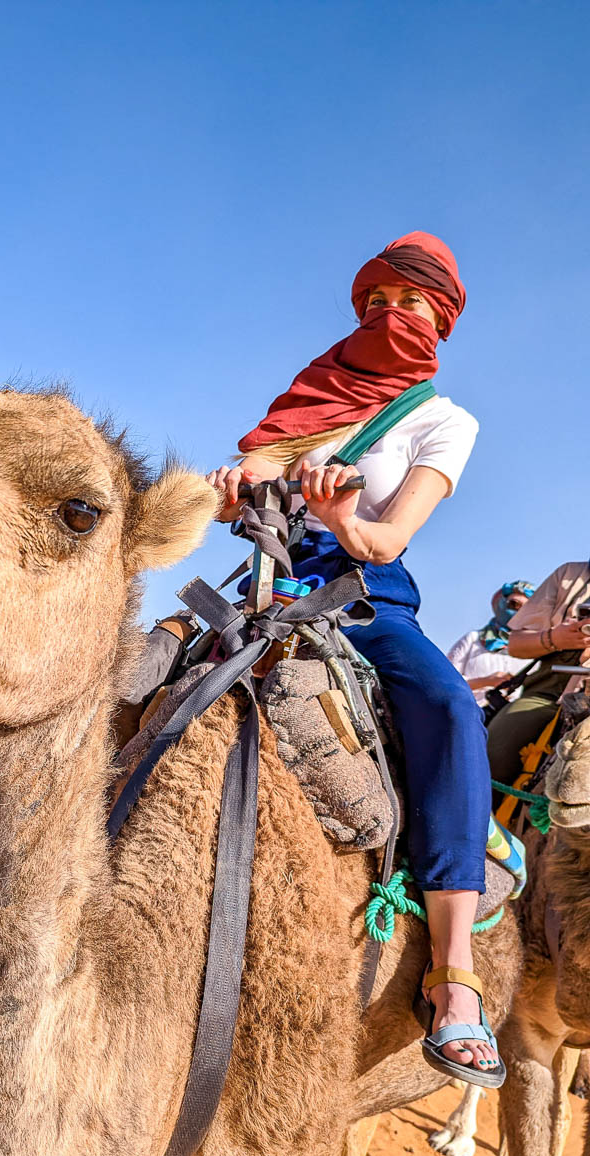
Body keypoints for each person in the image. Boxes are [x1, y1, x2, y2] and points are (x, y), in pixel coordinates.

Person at [208, 232, 502, 1086]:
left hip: (362, 593)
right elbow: (252, 480)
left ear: (438, 318)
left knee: (449, 709)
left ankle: (456, 979)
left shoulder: (444, 421)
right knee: (150, 681)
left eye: (408, 303)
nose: (388, 315)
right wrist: (238, 490)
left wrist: (337, 515)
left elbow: (385, 536)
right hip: (266, 584)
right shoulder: (309, 400)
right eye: (375, 302)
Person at [486, 560, 590, 786]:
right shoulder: (569, 575)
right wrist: (555, 638)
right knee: (494, 752)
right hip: (550, 698)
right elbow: (516, 644)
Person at [447, 581, 534, 706]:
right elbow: (445, 682)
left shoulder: (536, 650)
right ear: (501, 604)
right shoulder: (473, 640)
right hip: (469, 715)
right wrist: (486, 681)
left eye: (525, 608)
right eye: (514, 604)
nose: (519, 611)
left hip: (513, 719)